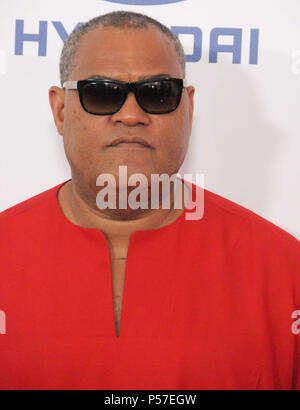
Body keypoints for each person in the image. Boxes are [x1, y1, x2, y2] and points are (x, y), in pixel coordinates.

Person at [0, 10, 299, 390]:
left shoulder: (287, 274)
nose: (130, 114)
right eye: (101, 92)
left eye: (157, 93)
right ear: (60, 111)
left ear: (188, 109)